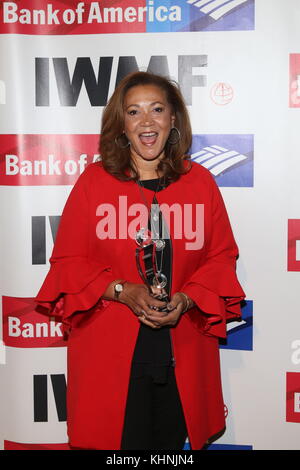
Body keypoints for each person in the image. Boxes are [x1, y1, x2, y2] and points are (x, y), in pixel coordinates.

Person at [35, 71, 245, 450]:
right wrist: (121, 290)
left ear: (173, 120)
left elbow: (221, 258)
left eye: (157, 109)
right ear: (122, 125)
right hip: (109, 356)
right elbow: (67, 262)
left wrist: (187, 298)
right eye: (134, 112)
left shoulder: (200, 183)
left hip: (181, 355)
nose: (147, 121)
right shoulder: (93, 183)